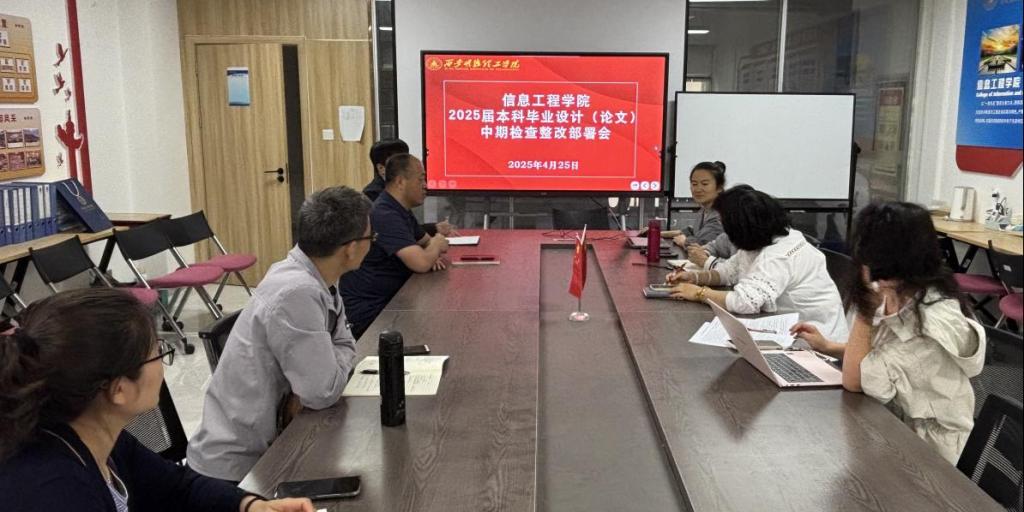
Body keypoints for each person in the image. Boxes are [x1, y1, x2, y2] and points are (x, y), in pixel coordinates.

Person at [0, 288, 313, 512]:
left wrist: (249, 505)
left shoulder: (99, 437)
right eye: (157, 353)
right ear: (118, 389)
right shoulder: (52, 489)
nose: (163, 366)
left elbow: (177, 486)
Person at [187, 186, 372, 482]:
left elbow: (340, 344)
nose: (372, 244)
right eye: (370, 238)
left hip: (272, 444)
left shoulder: (315, 275)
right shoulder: (298, 291)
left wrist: (334, 355)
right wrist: (337, 355)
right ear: (350, 248)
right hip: (239, 470)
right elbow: (322, 391)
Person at [790, 202, 984, 464]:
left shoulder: (927, 326)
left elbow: (855, 381)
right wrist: (829, 347)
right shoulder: (902, 289)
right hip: (892, 423)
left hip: (930, 453)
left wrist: (865, 311)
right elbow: (882, 356)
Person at [667, 186, 848, 340]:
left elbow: (745, 302)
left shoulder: (779, 255)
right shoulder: (762, 239)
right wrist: (695, 277)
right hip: (786, 328)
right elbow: (728, 272)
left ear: (743, 227)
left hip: (818, 343)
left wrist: (699, 293)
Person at [341, 154, 449, 338]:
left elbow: (425, 242)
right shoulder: (385, 214)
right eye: (421, 179)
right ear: (400, 182)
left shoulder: (399, 209)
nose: (425, 185)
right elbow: (422, 262)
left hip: (394, 301)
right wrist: (436, 244)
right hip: (372, 312)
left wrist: (432, 250)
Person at [362, 139, 454, 236]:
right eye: (400, 163)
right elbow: (397, 231)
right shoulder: (372, 196)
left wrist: (434, 228)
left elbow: (409, 226)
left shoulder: (400, 190)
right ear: (381, 168)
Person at [672, 161, 726, 249]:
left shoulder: (720, 215)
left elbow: (702, 243)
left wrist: (684, 242)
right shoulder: (704, 210)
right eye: (694, 184)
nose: (698, 189)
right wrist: (659, 233)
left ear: (719, 187)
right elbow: (692, 232)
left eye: (705, 184)